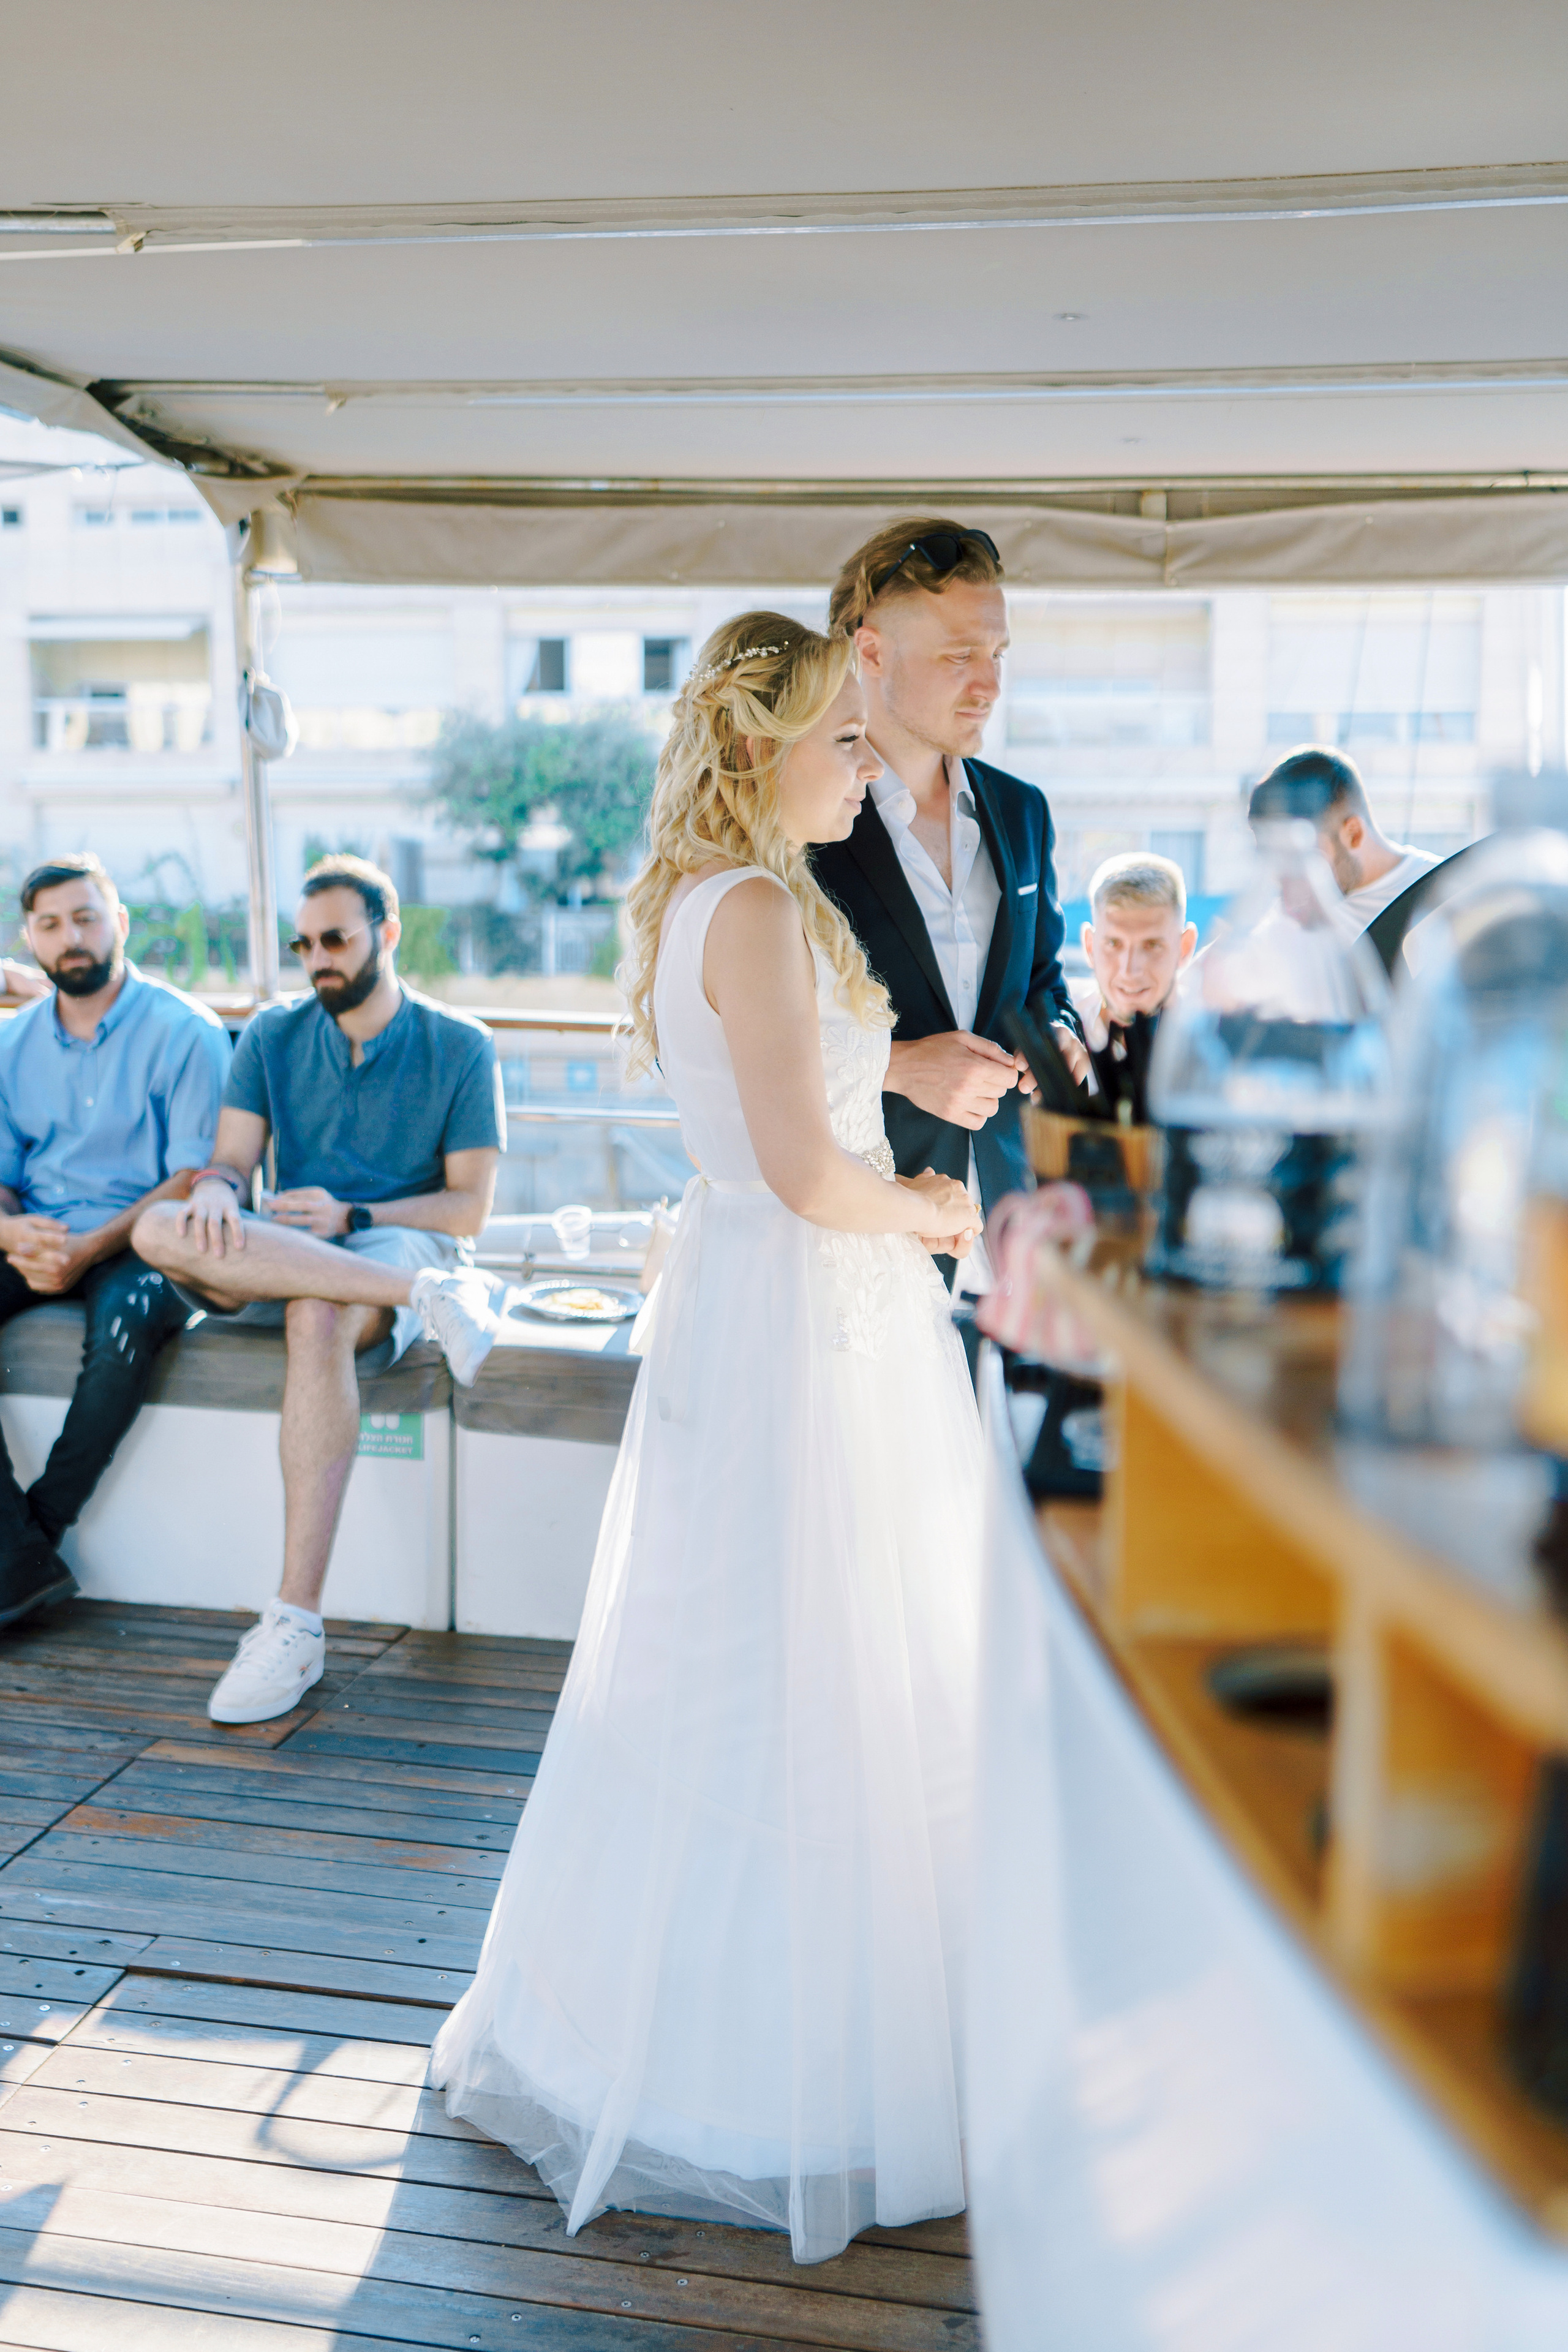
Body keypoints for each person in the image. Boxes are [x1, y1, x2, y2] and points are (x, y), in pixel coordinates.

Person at [431, 616, 984, 2266]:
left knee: (795, 1653)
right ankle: (788, 2075)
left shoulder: (722, 901)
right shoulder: (750, 908)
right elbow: (811, 1176)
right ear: (759, 750)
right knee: (816, 1658)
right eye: (844, 745)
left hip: (780, 1301)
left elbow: (782, 1104)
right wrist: (933, 1211)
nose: (867, 772)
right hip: (810, 1297)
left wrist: (908, 1070)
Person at [132, 855, 507, 1726]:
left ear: (389, 932)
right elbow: (228, 1159)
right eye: (304, 944)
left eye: (334, 939)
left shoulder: (461, 1044)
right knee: (158, 1227)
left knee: (317, 1313)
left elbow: (469, 1207)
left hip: (389, 1233)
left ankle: (294, 1624)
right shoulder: (270, 1035)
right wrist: (223, 1189)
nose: (317, 960)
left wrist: (356, 1211)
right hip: (287, 1243)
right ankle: (428, 1297)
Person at [811, 519, 1087, 1284]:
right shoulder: (798, 823)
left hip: (1007, 1232)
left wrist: (1057, 1037)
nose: (990, 684)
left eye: (996, 655)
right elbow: (708, 1044)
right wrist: (893, 1067)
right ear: (870, 652)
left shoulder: (1022, 811)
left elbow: (1042, 986)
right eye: (959, 655)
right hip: (858, 1230)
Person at [0, 853, 229, 1629]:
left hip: (146, 1236)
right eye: (51, 924)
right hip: (39, 1230)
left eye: (86, 917)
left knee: (124, 1324)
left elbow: (193, 1176)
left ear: (121, 923)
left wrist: (91, 1247)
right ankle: (19, 1564)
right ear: (29, 938)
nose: (72, 938)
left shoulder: (187, 1031)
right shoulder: (11, 1043)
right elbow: (2, 1173)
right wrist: (16, 1231)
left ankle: (31, 1538)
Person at [1248, 746, 1438, 935]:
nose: (1286, 880)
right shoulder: (1282, 925)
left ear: (1353, 834)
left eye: (1302, 856)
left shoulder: (1444, 895)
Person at [1070, 850, 1199, 1089]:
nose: (1129, 971)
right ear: (1090, 947)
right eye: (1113, 943)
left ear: (1185, 947)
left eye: (1152, 945)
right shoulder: (1060, 1036)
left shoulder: (1217, 1047)